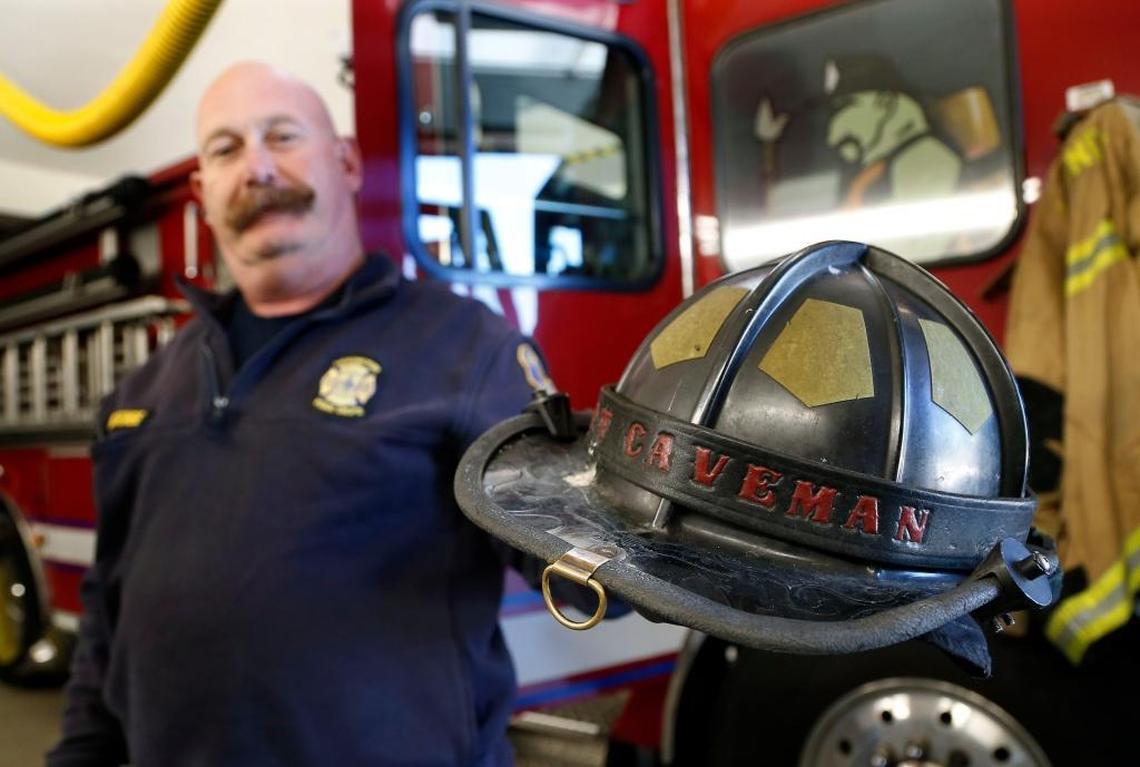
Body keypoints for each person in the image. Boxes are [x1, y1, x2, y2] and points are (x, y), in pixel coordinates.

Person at [48, 61, 563, 767]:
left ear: (346, 161)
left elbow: (585, 561)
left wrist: (657, 524)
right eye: (225, 149)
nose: (257, 167)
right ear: (202, 191)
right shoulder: (141, 393)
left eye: (283, 136)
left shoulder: (467, 348)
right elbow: (109, 614)